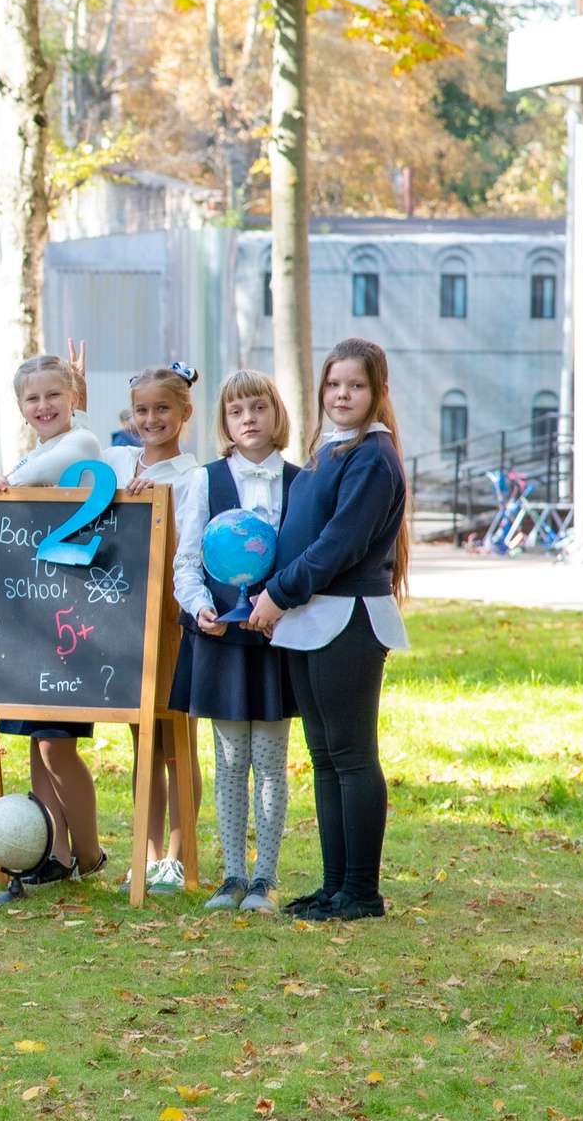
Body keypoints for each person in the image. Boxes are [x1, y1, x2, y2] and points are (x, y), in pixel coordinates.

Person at [246, 339, 410, 922]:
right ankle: (335, 886)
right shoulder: (328, 451)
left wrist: (277, 595)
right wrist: (262, 595)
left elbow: (338, 546)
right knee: (324, 756)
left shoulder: (372, 457)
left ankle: (361, 892)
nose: (343, 395)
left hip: (348, 620)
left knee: (352, 754)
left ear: (378, 393)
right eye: (334, 385)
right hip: (307, 619)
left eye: (356, 386)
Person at [0, 352, 108, 901]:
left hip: (71, 617)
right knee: (34, 744)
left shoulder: (81, 446)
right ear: (21, 407)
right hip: (31, 615)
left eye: (54, 394)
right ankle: (50, 853)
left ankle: (90, 850)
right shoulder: (38, 451)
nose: (44, 405)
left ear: (74, 397)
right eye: (32, 398)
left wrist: (4, 481)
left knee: (57, 743)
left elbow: (45, 474)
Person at [171, 369, 298, 915]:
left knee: (270, 759)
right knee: (229, 759)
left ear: (276, 414)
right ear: (224, 422)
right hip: (221, 636)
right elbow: (186, 560)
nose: (248, 419)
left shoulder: (301, 481)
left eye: (258, 408)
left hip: (276, 637)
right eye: (236, 411)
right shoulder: (204, 480)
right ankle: (231, 876)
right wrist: (198, 604)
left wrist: (281, 608)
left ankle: (265, 880)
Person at [111, 363, 204, 895]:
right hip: (119, 621)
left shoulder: (193, 477)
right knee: (141, 741)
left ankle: (177, 855)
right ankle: (144, 857)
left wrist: (156, 500)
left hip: (170, 621)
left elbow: (189, 549)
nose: (151, 419)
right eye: (142, 411)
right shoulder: (117, 461)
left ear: (185, 413)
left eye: (162, 409)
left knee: (176, 742)